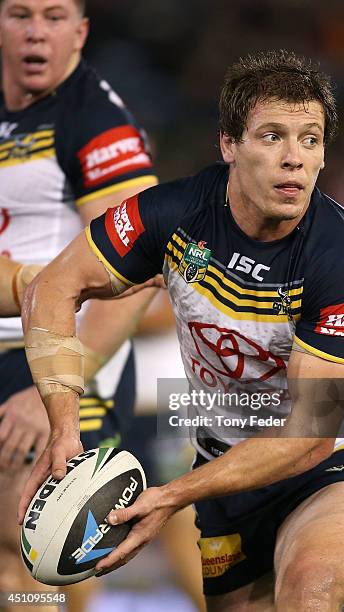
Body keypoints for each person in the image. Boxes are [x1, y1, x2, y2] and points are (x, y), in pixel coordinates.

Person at [19, 50, 344, 611]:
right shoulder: (172, 214)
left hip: (332, 460)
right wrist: (64, 428)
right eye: (272, 136)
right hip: (224, 467)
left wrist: (169, 497)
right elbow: (52, 287)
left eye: (311, 140)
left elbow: (309, 435)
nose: (295, 159)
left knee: (309, 588)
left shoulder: (343, 259)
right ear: (228, 146)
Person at [0, 0, 158, 607]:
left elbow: (140, 272)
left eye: (54, 15)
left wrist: (54, 398)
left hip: (50, 361)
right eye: (20, 15)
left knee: (32, 562)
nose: (37, 31)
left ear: (81, 32)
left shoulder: (96, 123)